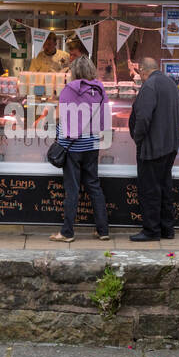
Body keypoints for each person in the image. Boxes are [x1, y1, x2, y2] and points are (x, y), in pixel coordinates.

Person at [50, 55, 110, 243]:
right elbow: (104, 119)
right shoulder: (99, 89)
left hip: (73, 147)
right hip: (92, 144)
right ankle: (103, 230)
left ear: (74, 71)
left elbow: (66, 123)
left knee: (72, 189)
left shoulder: (68, 90)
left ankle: (67, 233)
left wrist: (61, 142)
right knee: (94, 186)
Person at [128, 56, 179, 242]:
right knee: (165, 188)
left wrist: (138, 139)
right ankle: (167, 229)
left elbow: (143, 117)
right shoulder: (171, 84)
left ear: (143, 70)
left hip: (152, 148)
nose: (140, 77)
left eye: (140, 74)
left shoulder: (150, 86)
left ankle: (151, 230)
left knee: (150, 190)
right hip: (170, 146)